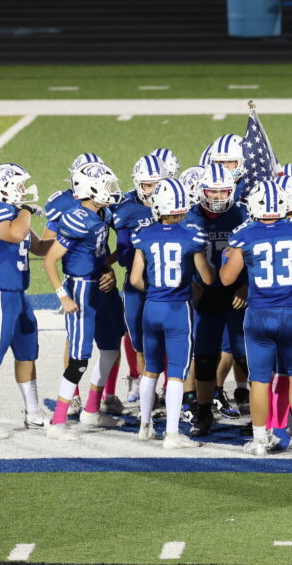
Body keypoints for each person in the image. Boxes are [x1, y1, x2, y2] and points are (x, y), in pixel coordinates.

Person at [222, 181, 292, 455]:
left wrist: (231, 256)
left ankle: (260, 439)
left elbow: (227, 279)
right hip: (290, 313)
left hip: (258, 314)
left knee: (260, 379)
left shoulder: (244, 234)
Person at [129, 178, 215, 449]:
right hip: (178, 309)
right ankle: (172, 433)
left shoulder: (144, 233)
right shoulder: (191, 234)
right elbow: (207, 278)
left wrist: (156, 290)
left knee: (151, 369)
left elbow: (134, 279)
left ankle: (144, 426)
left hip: (151, 307)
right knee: (176, 371)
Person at [42, 162, 125, 440]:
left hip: (102, 287)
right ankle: (57, 421)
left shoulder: (101, 213)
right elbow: (49, 260)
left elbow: (99, 253)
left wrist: (108, 270)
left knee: (111, 348)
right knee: (79, 360)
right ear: (91, 189)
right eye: (106, 185)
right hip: (81, 290)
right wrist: (63, 296)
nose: (111, 190)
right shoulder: (76, 219)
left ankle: (91, 410)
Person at [0, 164, 52, 438]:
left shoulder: (16, 215)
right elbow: (15, 234)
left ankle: (33, 413)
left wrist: (61, 230)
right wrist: (26, 210)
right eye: (19, 185)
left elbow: (39, 248)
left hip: (18, 295)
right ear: (3, 189)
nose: (24, 190)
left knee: (27, 354)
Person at [185, 164, 248, 436]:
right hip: (205, 293)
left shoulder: (243, 213)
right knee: (204, 356)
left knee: (245, 356)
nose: (220, 197)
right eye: (214, 192)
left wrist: (246, 286)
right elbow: (177, 253)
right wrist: (188, 282)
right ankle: (203, 412)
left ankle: (261, 414)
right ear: (202, 191)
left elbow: (256, 254)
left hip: (236, 293)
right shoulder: (189, 216)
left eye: (224, 191)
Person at [110, 156, 163, 410]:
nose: (151, 190)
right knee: (139, 342)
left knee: (171, 339)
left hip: (167, 283)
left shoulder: (175, 204)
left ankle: (171, 388)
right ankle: (146, 391)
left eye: (156, 184)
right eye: (147, 185)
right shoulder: (127, 209)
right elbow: (123, 256)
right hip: (137, 284)